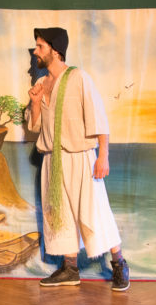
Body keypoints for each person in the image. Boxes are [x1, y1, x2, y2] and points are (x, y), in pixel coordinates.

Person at [26, 27, 130, 291]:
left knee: (94, 211)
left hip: (80, 157)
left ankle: (119, 264)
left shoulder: (78, 77)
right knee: (58, 215)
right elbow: (35, 127)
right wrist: (35, 103)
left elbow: (99, 117)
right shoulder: (41, 84)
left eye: (40, 46)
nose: (36, 52)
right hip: (52, 160)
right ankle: (70, 268)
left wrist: (103, 156)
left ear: (55, 50)